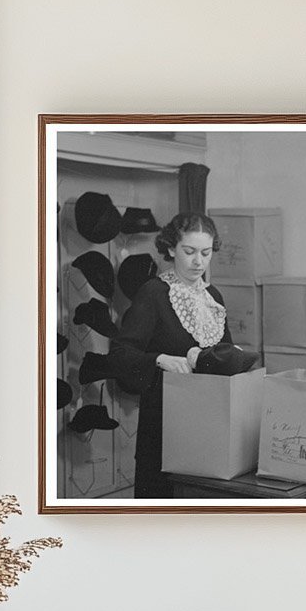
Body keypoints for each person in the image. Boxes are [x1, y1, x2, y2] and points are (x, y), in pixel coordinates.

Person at [109, 212, 233, 498]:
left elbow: (224, 353)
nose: (198, 262)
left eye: (205, 253)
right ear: (170, 249)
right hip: (163, 425)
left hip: (208, 421)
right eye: (189, 252)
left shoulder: (213, 296)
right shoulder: (154, 293)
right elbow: (119, 354)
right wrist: (159, 359)